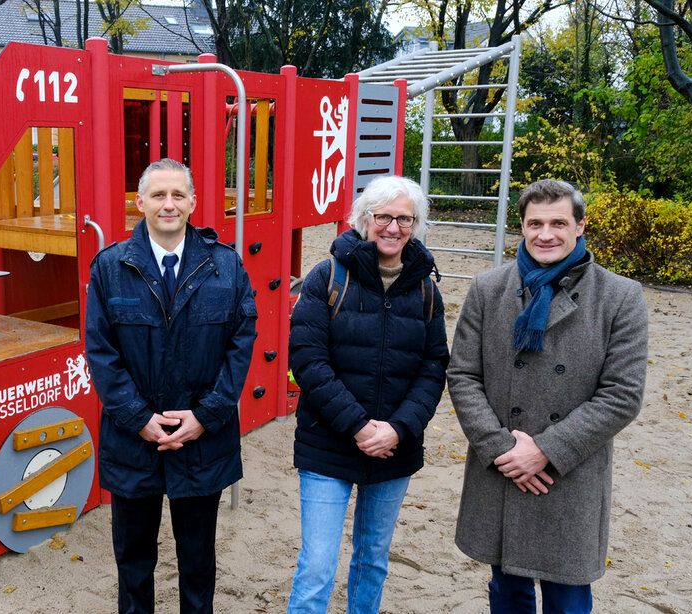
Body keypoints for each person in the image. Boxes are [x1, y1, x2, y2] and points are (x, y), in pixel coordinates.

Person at [448, 179, 648, 613]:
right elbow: (462, 375)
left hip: (568, 473)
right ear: (522, 226)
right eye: (535, 223)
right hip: (503, 469)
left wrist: (545, 451)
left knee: (567, 598)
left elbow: (622, 395)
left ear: (580, 225)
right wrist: (503, 449)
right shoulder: (488, 289)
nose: (545, 234)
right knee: (508, 593)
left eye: (558, 223)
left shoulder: (619, 296)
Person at [85, 158, 257, 614]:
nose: (168, 204)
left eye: (178, 194)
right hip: (133, 441)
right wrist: (137, 418)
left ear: (193, 203)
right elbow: (100, 351)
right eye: (158, 195)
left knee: (198, 561)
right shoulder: (110, 268)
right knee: (133, 560)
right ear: (139, 202)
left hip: (203, 440)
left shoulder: (225, 266)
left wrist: (206, 416)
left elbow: (240, 346)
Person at [287, 175, 449, 614]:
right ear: (363, 219)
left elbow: (434, 366)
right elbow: (308, 361)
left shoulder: (424, 288)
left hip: (394, 446)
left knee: (373, 559)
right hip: (328, 441)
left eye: (404, 219)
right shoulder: (327, 277)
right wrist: (358, 426)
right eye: (384, 217)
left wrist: (398, 428)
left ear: (415, 225)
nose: (393, 228)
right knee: (317, 564)